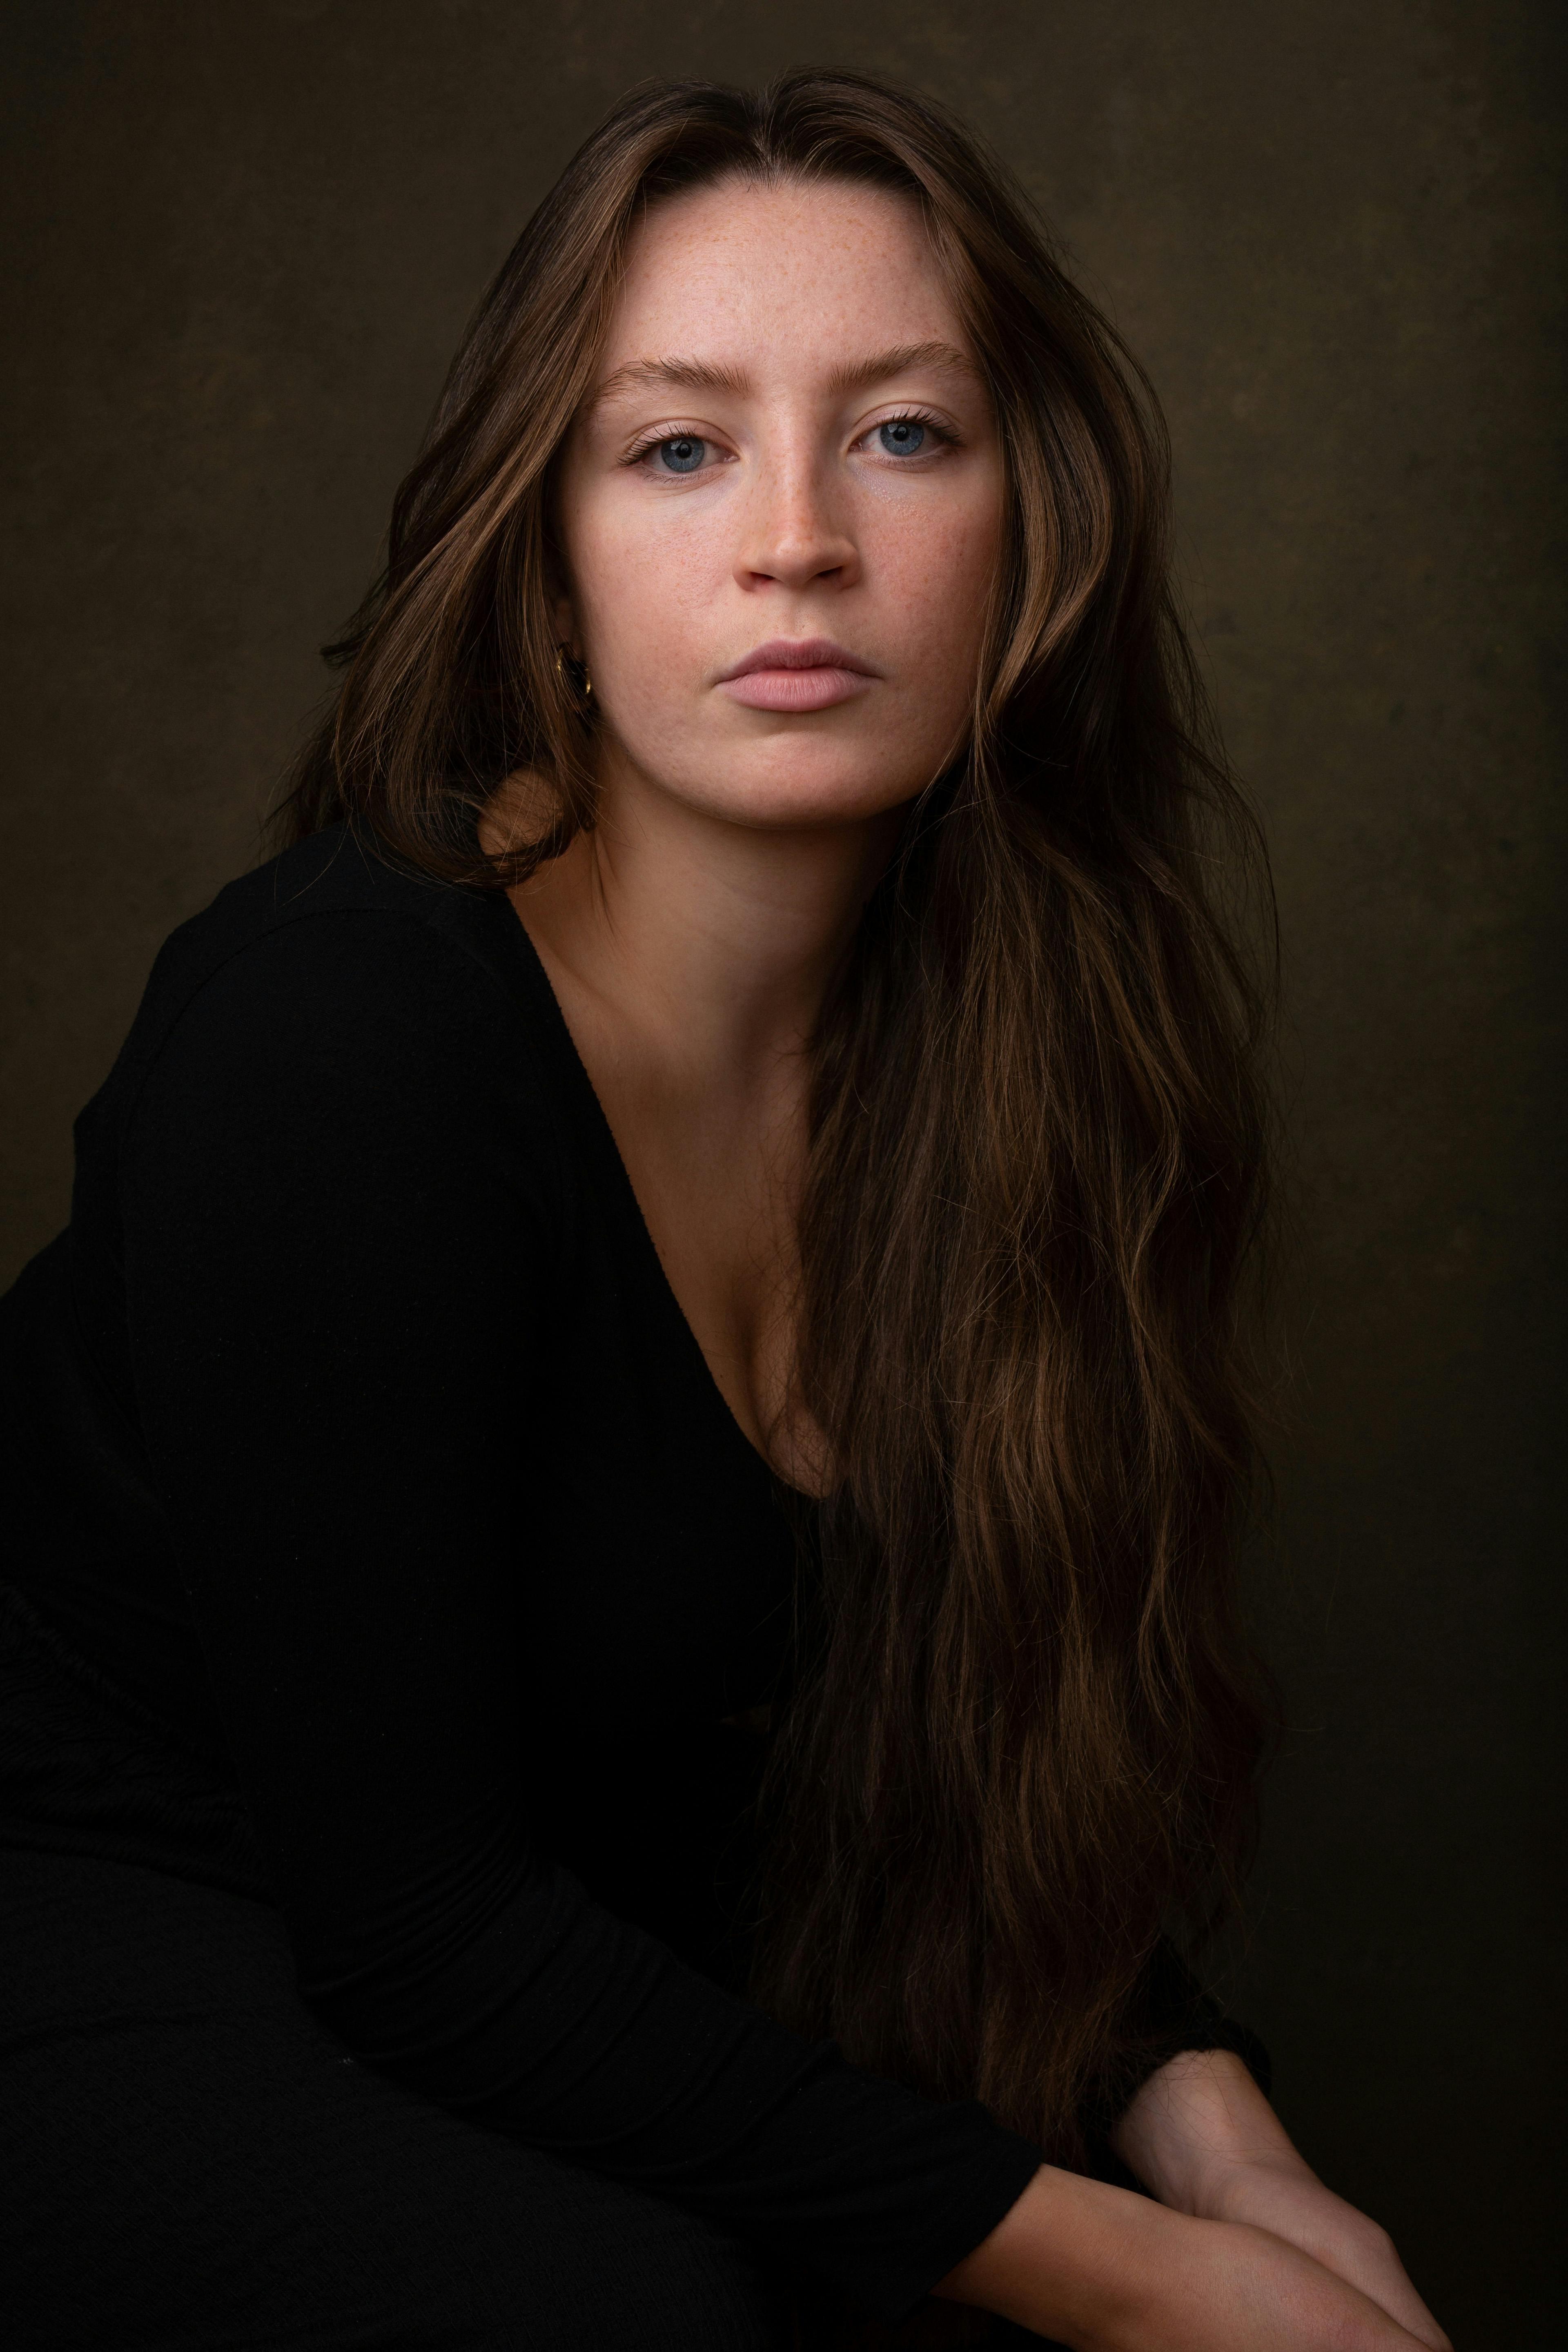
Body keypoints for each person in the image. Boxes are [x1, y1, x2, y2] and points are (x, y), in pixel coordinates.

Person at [0, 69, 1448, 2352]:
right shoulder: (336, 1031)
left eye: (901, 434)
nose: (796, 539)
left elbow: (906, 1769)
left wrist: (1211, 2127)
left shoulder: (1012, 1060)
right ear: (549, 560)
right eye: (677, 446)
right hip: (104, 1937)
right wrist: (1155, 2285)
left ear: (1033, 531)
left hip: (501, 1963)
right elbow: (429, 1934)